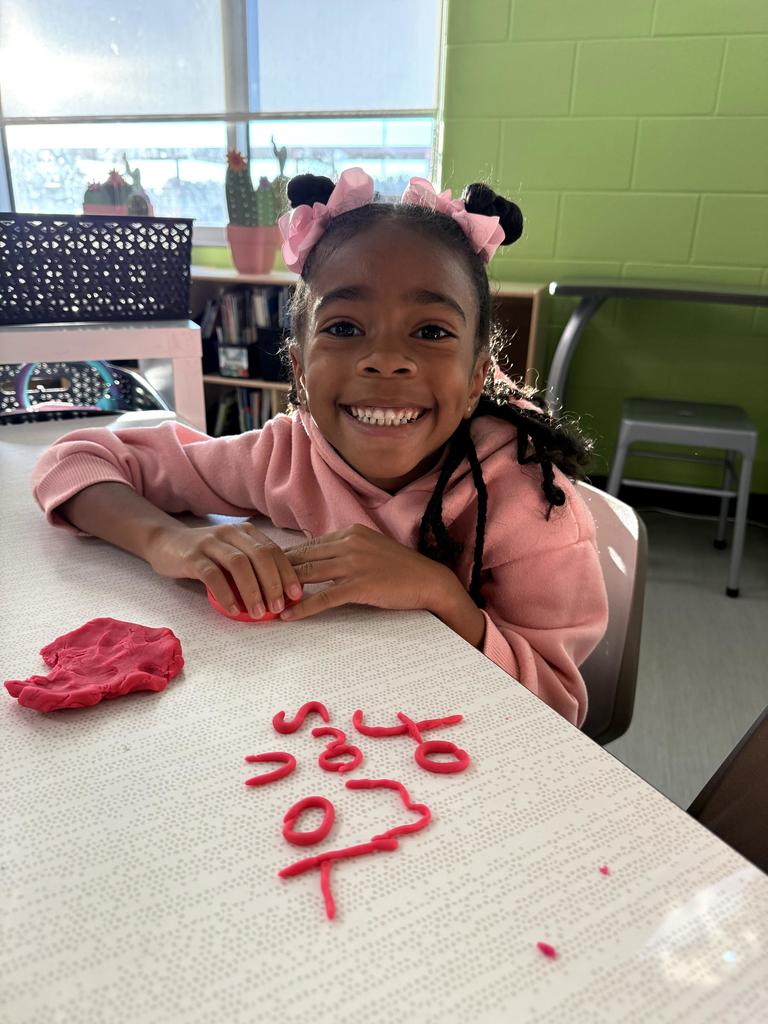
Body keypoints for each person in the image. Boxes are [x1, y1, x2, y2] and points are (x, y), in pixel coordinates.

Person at [31, 168, 608, 727]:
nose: (385, 359)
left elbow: (558, 707)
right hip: (324, 727)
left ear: (477, 378)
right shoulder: (285, 458)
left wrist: (441, 594)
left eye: (431, 331)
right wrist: (167, 540)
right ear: (301, 370)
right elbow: (75, 462)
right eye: (345, 328)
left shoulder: (530, 503)